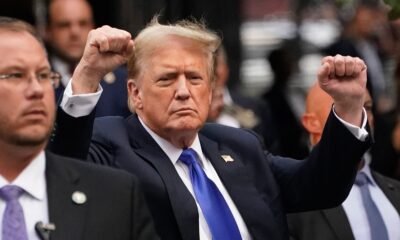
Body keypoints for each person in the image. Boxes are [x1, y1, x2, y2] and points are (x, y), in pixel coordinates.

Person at [49, 18, 371, 240]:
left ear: (211, 88)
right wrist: (87, 76)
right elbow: (65, 170)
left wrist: (348, 107)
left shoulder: (238, 145)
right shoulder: (111, 142)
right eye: (166, 79)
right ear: (135, 93)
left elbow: (319, 186)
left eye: (195, 78)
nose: (183, 91)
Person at [0, 17, 158, 240]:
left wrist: (88, 75)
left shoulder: (116, 196)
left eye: (44, 75)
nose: (36, 90)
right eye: (16, 75)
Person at [287, 83, 400, 240]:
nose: (361, 117)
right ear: (312, 123)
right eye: (345, 108)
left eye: (367, 107)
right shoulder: (293, 203)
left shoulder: (395, 192)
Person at [45, 0, 130, 117]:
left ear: (93, 27)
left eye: (83, 23)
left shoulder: (123, 81)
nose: (74, 32)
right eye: (64, 25)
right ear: (47, 31)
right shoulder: (37, 81)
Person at [208, 45, 277, 149]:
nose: (212, 72)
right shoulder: (187, 111)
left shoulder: (256, 106)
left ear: (226, 69)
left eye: (216, 64)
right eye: (206, 66)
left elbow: (272, 151)